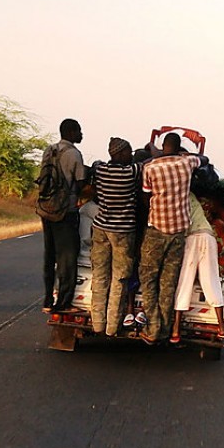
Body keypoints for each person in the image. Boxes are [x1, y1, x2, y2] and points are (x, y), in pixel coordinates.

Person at [138, 132, 205, 344]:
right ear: (178, 147)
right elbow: (203, 160)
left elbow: (146, 194)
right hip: (178, 233)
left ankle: (153, 327)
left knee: (148, 279)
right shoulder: (187, 163)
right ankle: (166, 329)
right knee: (168, 282)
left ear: (162, 146)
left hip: (156, 229)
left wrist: (154, 153)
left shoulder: (150, 167)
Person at [90, 137, 140, 337]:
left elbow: (95, 165)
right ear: (119, 153)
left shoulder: (100, 170)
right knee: (119, 279)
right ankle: (112, 327)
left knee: (100, 276)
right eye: (128, 152)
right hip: (123, 232)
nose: (131, 155)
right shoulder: (132, 172)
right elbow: (146, 163)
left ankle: (97, 324)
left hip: (101, 228)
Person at [170, 193, 224, 343]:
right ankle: (221, 327)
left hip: (191, 238)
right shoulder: (191, 196)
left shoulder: (172, 198)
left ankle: (176, 329)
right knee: (211, 280)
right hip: (207, 237)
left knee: (185, 281)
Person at [40, 118, 86, 312]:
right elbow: (81, 183)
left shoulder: (49, 150)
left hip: (46, 208)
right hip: (65, 211)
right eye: (79, 131)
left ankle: (48, 299)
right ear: (72, 132)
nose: (81, 134)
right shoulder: (74, 154)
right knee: (67, 259)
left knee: (50, 256)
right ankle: (64, 303)